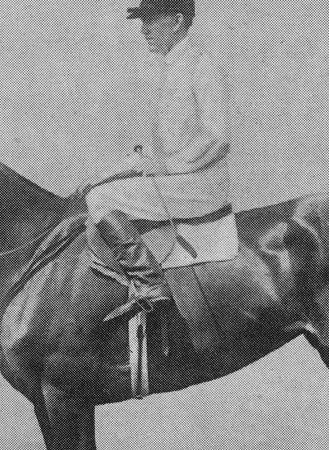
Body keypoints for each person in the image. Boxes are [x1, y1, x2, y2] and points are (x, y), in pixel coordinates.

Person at [84, 0, 230, 321]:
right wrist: (104, 174)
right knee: (97, 190)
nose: (143, 30)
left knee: (101, 200)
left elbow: (216, 138)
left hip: (200, 185)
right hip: (179, 180)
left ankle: (151, 283)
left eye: (150, 20)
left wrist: (166, 166)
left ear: (176, 21)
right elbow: (154, 152)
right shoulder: (170, 69)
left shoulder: (202, 66)